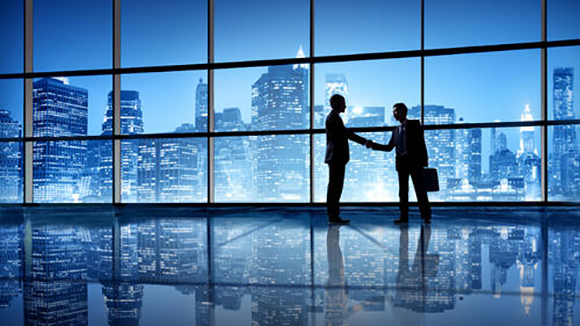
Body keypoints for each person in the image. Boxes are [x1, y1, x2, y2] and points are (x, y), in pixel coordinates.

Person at [367, 103, 431, 224]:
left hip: (414, 162)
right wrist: (373, 145)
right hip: (402, 163)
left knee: (420, 189)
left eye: (396, 111)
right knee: (403, 191)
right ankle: (404, 217)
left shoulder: (414, 124)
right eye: (393, 111)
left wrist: (424, 160)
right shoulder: (395, 130)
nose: (394, 114)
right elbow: (389, 147)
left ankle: (426, 216)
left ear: (404, 112)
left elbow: (421, 143)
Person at [325, 94, 371, 224]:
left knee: (335, 186)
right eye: (343, 103)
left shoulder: (334, 117)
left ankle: (333, 215)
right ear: (336, 104)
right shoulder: (334, 118)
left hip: (335, 157)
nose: (345, 106)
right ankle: (333, 215)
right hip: (336, 157)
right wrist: (364, 142)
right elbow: (346, 134)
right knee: (335, 187)